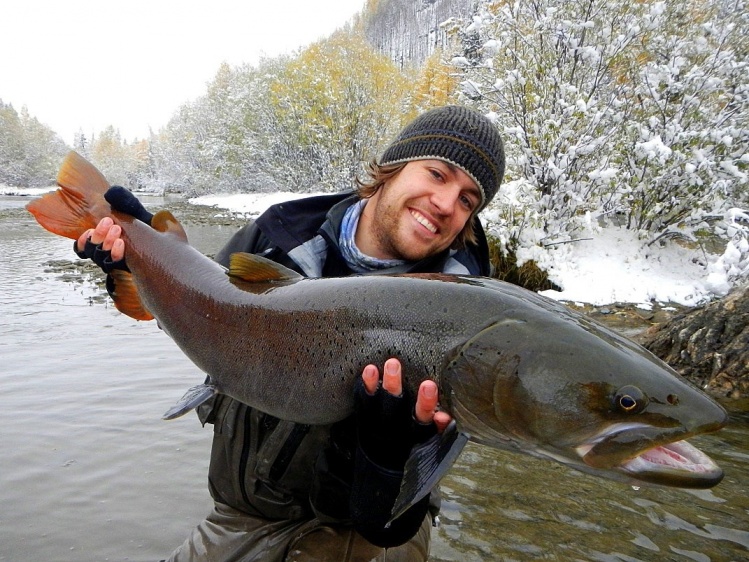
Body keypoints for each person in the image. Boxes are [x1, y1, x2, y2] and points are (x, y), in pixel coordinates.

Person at [77, 105, 505, 561]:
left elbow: (391, 525)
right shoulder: (280, 232)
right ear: (394, 168)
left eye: (467, 200)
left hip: (367, 534)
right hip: (244, 515)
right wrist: (149, 260)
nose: (446, 204)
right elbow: (207, 317)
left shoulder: (470, 328)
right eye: (437, 174)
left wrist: (383, 454)